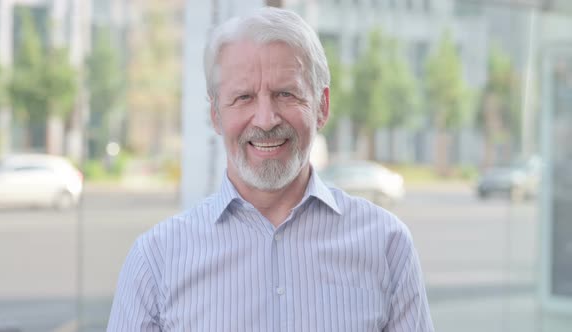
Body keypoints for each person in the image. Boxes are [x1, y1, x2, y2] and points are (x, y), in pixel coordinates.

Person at [107, 7, 434, 332]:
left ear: (322, 107)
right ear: (216, 114)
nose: (266, 119)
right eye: (244, 97)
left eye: (285, 94)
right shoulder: (156, 262)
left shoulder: (386, 246)